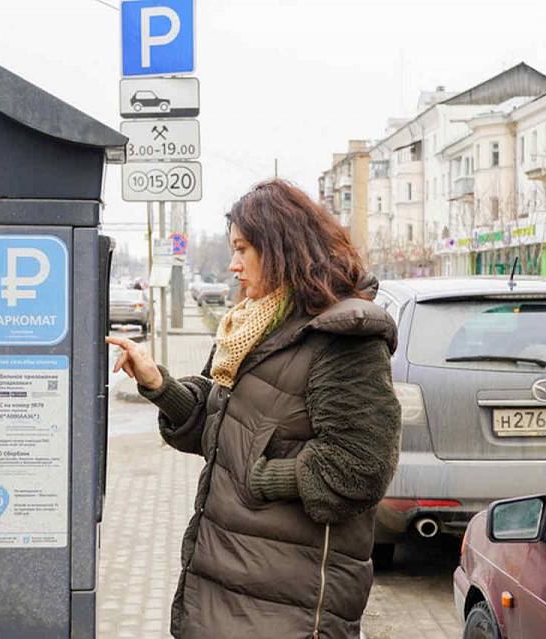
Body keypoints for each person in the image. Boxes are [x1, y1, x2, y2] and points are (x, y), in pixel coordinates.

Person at [106, 179, 401, 638]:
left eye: (243, 249)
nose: (233, 265)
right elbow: (223, 424)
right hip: (233, 586)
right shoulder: (254, 326)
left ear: (282, 248)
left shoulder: (341, 339)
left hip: (290, 606)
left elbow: (360, 467)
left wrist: (261, 477)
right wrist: (158, 383)